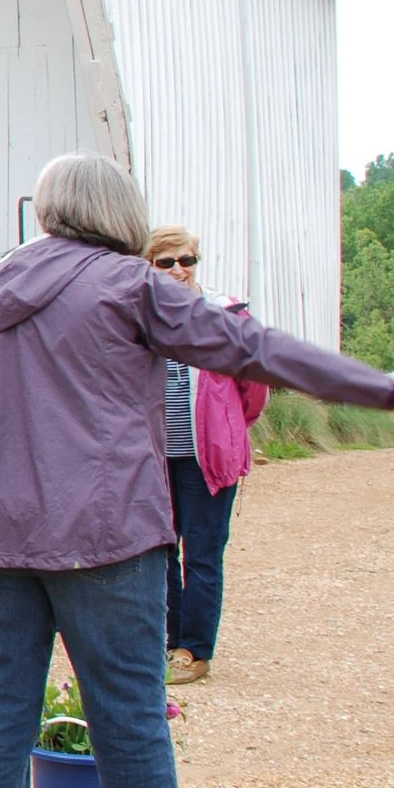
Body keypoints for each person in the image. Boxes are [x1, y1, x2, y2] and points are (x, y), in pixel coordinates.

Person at [0, 153, 394, 788]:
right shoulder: (133, 285)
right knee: (127, 710)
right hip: (106, 532)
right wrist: (385, 389)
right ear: (119, 210)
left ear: (51, 210)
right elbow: (251, 347)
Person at [145, 225, 266, 686]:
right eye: (166, 262)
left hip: (206, 456)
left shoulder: (226, 316)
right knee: (158, 550)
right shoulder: (140, 318)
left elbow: (254, 386)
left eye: (187, 260)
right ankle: (166, 640)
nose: (178, 270)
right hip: (155, 455)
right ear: (149, 267)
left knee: (202, 552)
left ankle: (194, 649)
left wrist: (229, 427)